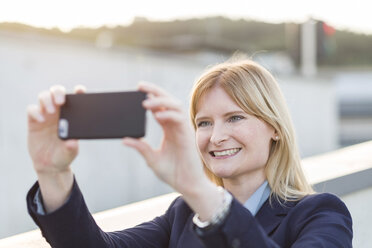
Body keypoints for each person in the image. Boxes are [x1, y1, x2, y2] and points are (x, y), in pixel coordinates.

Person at [26, 57, 353, 248]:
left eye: (235, 117)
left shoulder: (320, 214)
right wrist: (53, 174)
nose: (216, 137)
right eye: (204, 122)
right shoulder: (183, 214)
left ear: (275, 128)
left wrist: (198, 189)